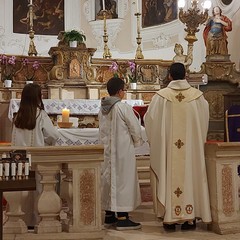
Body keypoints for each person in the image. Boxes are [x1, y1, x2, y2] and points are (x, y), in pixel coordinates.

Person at [144, 63, 212, 231]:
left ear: (170, 76)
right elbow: (204, 121)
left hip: (169, 152)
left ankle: (170, 219)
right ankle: (190, 218)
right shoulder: (197, 97)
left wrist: (159, 142)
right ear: (186, 75)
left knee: (169, 173)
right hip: (190, 151)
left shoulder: (160, 97)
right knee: (191, 174)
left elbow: (149, 122)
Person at [11, 83, 59, 227]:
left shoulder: (18, 115)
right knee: (40, 188)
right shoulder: (40, 114)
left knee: (24, 189)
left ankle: (24, 220)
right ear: (37, 97)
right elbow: (53, 135)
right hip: (38, 158)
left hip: (20, 159)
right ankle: (39, 220)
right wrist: (46, 142)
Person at [98, 77, 143, 231]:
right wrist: (138, 142)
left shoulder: (103, 108)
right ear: (119, 91)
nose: (124, 92)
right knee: (123, 181)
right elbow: (135, 129)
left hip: (108, 151)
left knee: (109, 180)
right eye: (124, 89)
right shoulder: (122, 108)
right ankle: (123, 218)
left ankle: (109, 215)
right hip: (122, 152)